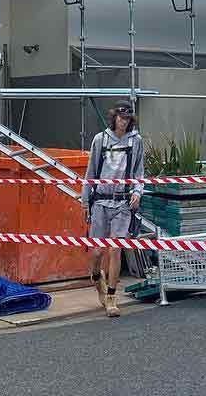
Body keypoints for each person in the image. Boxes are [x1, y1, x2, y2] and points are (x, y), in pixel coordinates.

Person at [82, 104, 145, 318]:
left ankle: (111, 297)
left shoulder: (136, 141)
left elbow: (139, 171)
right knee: (98, 251)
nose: (123, 121)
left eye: (127, 118)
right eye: (120, 118)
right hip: (100, 201)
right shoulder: (101, 139)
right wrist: (85, 202)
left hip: (122, 202)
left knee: (115, 249)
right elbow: (90, 171)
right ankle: (95, 275)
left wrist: (137, 191)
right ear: (114, 118)